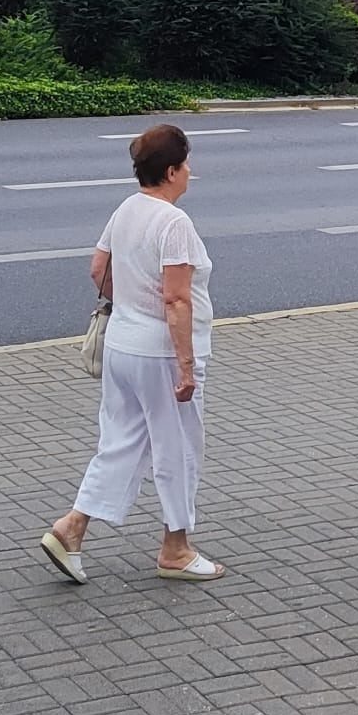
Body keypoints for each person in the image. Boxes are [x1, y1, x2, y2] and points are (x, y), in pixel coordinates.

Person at [40, 123, 223, 583]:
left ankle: (70, 528)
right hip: (161, 356)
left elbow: (98, 269)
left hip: (122, 346)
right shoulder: (174, 222)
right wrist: (185, 366)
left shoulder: (126, 209)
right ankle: (175, 549)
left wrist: (132, 306)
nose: (189, 172)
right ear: (171, 171)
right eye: (186, 164)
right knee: (178, 449)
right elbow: (177, 299)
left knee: (122, 442)